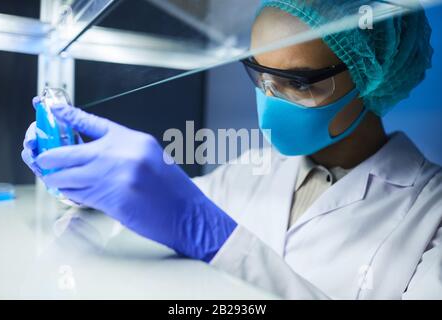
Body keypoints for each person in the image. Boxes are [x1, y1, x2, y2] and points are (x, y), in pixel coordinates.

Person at [22, 0, 442, 299]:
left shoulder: (432, 217)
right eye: (259, 77)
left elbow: (195, 222)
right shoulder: (252, 168)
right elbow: (158, 206)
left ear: (373, 74)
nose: (269, 103)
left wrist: (215, 239)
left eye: (298, 83)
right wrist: (88, 180)